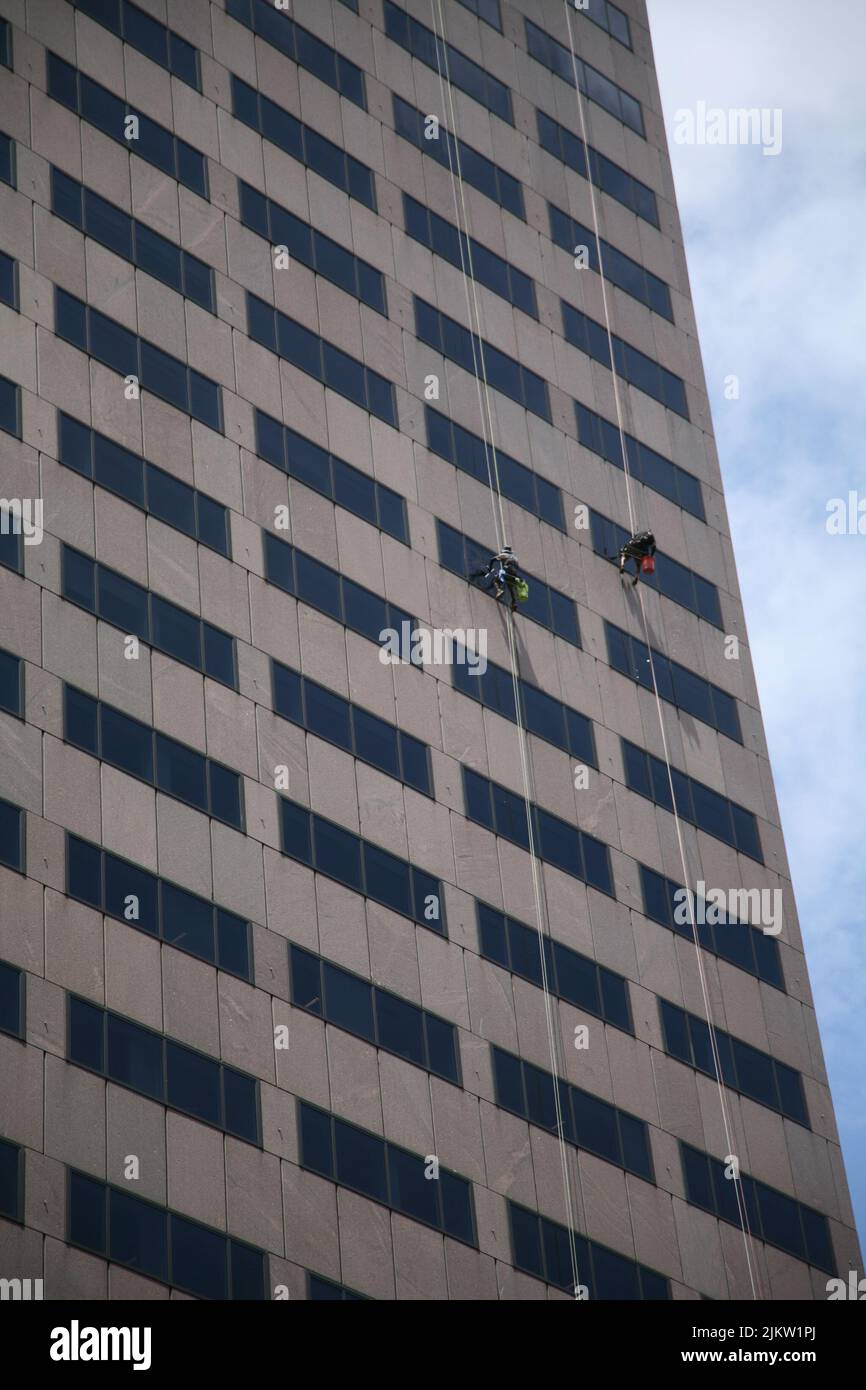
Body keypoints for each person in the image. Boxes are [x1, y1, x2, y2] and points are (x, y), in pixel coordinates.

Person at [474, 546, 529, 612]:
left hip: (507, 572)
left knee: (495, 579)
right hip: (514, 576)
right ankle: (514, 603)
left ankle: (499, 590)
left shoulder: (505, 555)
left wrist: (489, 568)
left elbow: (493, 559)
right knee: (510, 588)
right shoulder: (515, 559)